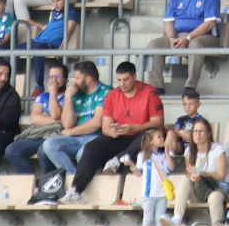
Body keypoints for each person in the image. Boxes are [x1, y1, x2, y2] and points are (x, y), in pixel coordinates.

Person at [66, 61, 164, 202]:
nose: (122, 84)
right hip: (120, 137)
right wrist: (113, 131)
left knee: (149, 133)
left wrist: (134, 128)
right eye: (119, 80)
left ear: (135, 76)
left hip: (142, 136)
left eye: (126, 80)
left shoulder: (149, 92)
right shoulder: (112, 95)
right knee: (90, 148)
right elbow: (105, 127)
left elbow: (157, 123)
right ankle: (75, 190)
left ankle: (118, 160)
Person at [145, 0, 224, 93]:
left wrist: (188, 38)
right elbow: (168, 21)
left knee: (195, 45)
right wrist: (171, 38)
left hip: (205, 37)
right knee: (154, 45)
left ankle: (190, 87)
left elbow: (209, 23)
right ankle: (156, 88)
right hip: (178, 36)